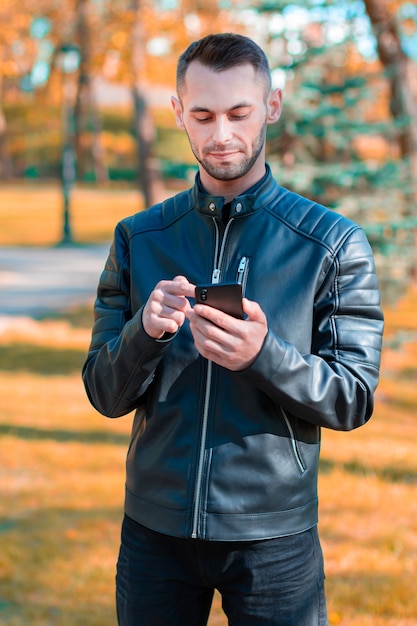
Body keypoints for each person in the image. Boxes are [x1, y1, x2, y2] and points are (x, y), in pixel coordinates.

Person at [82, 32, 384, 626]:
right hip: (154, 532)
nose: (222, 134)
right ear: (179, 114)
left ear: (271, 106)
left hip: (274, 540)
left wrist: (264, 356)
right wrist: (145, 334)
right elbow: (103, 392)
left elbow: (354, 397)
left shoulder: (330, 244)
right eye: (203, 115)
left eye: (239, 113)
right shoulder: (139, 237)